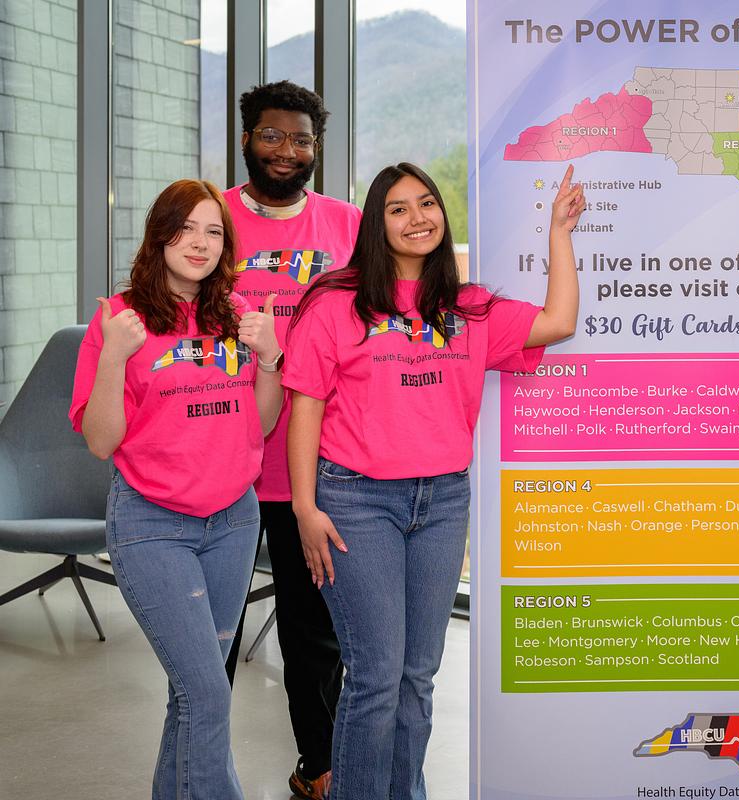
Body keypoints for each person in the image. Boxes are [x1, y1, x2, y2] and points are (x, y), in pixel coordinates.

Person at [284, 161, 584, 800]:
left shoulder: (470, 308)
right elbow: (305, 404)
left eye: (427, 204)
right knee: (374, 674)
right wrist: (305, 508)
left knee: (418, 675)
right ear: (376, 222)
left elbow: (558, 323)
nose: (417, 217)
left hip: (443, 501)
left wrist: (559, 231)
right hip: (356, 499)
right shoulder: (337, 303)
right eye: (398, 208)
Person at [70, 179, 284, 799]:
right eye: (186, 227)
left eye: (213, 231)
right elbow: (100, 442)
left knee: (193, 695)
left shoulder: (235, 317)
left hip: (233, 523)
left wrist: (269, 359)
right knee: (208, 692)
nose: (199, 242)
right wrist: (113, 357)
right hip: (153, 524)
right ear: (159, 233)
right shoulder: (119, 318)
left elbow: (263, 424)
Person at [222, 79, 361, 800]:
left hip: (314, 466)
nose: (287, 151)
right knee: (212, 637)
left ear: (317, 147)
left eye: (302, 139)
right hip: (222, 463)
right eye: (272, 136)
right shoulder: (208, 219)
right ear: (247, 138)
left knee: (315, 636)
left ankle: (318, 769)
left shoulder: (347, 224)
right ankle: (201, 773)